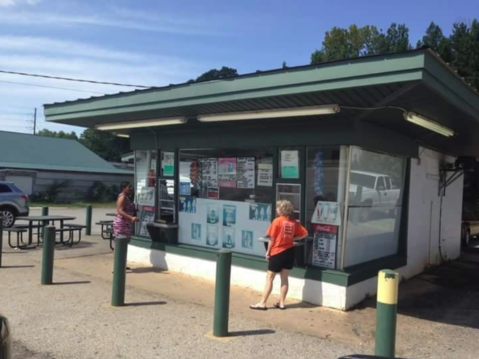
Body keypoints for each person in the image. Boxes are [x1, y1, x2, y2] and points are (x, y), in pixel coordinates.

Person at [250, 200, 308, 311]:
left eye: (278, 208)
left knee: (270, 278)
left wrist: (268, 251)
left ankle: (262, 303)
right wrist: (293, 239)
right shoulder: (293, 222)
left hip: (278, 251)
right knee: (284, 278)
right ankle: (282, 303)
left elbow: (272, 238)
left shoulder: (277, 221)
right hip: (289, 251)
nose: (276, 209)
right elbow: (305, 233)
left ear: (282, 209)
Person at [113, 182, 139, 270]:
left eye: (131, 187)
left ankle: (122, 264)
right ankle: (116, 267)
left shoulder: (127, 197)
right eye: (129, 187)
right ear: (123, 188)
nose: (131, 189)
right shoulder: (122, 197)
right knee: (119, 245)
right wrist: (131, 217)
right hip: (121, 224)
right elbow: (119, 210)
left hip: (127, 224)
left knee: (124, 244)